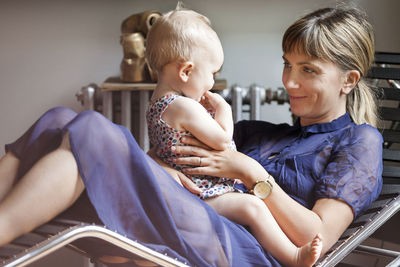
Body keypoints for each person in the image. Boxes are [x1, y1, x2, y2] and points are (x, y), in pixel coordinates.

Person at [0, 5, 382, 267]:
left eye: (308, 70)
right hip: (188, 220)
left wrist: (252, 174)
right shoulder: (259, 133)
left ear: (348, 80)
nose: (289, 81)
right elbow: (173, 159)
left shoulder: (360, 142)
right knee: (58, 119)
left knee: (90, 128)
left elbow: (316, 236)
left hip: (243, 251)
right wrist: (162, 169)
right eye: (287, 65)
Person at [145, 8, 322, 267]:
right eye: (212, 74)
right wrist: (224, 110)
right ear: (185, 71)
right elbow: (222, 140)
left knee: (251, 208)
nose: (212, 83)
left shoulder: (157, 104)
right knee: (254, 208)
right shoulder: (184, 106)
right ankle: (293, 257)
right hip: (203, 196)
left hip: (191, 195)